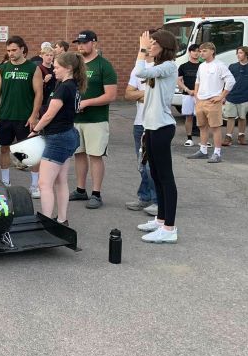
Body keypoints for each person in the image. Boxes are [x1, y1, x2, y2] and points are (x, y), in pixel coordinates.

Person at [28, 52, 85, 226]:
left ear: (68, 69)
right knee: (61, 181)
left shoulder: (64, 87)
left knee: (44, 183)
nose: (54, 69)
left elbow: (48, 115)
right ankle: (61, 219)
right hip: (68, 135)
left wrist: (35, 131)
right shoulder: (73, 85)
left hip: (58, 138)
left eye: (58, 66)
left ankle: (46, 223)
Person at [133, 30, 180, 243]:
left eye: (153, 43)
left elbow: (140, 73)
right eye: (148, 44)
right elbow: (140, 72)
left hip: (163, 127)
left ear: (163, 46)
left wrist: (142, 50)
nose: (149, 46)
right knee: (156, 177)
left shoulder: (169, 66)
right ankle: (160, 220)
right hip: (151, 127)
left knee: (165, 178)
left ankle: (169, 228)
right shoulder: (157, 67)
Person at [69, 30, 117, 209]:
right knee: (78, 154)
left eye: (84, 42)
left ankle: (96, 193)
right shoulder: (75, 65)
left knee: (95, 156)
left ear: (94, 43)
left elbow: (111, 95)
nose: (80, 46)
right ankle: (81, 190)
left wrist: (87, 102)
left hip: (96, 120)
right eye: (78, 43)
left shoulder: (103, 65)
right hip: (76, 119)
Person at [0, 36, 43, 191]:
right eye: (8, 50)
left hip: (25, 117)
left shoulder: (33, 68)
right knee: (4, 148)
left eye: (14, 50)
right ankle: (5, 182)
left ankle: (34, 185)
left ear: (22, 49)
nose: (11, 53)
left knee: (30, 152)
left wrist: (34, 115)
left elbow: (39, 94)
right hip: (5, 116)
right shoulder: (3, 68)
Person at [124, 47, 158, 215]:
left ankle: (157, 201)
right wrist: (145, 93)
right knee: (142, 165)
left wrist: (140, 93)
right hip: (140, 124)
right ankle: (144, 197)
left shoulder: (164, 67)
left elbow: (161, 96)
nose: (148, 48)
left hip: (156, 124)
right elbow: (128, 94)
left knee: (154, 166)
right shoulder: (138, 68)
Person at [188, 42, 235, 163]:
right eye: (200, 51)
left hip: (213, 101)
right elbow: (198, 80)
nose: (201, 53)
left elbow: (230, 81)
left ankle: (217, 153)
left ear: (212, 51)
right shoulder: (201, 66)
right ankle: (203, 151)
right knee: (202, 127)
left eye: (204, 51)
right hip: (201, 101)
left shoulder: (219, 65)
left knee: (215, 128)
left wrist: (221, 96)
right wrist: (197, 95)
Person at [223, 46, 248, 146]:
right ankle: (228, 137)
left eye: (240, 53)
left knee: (242, 117)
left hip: (245, 97)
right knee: (230, 117)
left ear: (247, 54)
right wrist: (223, 95)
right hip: (231, 96)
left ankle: (241, 136)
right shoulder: (232, 66)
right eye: (238, 53)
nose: (238, 55)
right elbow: (227, 81)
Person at [177, 44, 202, 146]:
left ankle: (203, 140)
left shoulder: (202, 66)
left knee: (202, 117)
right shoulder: (183, 66)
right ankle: (189, 138)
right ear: (189, 52)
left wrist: (197, 91)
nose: (196, 53)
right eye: (194, 51)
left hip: (200, 95)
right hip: (187, 95)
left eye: (198, 51)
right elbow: (179, 81)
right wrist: (187, 90)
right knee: (189, 116)